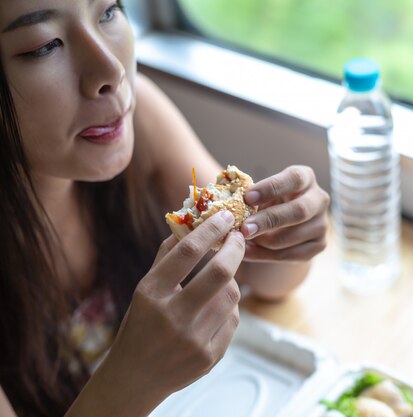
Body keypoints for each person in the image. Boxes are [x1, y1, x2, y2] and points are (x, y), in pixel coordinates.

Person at [0, 1, 330, 416]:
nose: (112, 71)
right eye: (44, 45)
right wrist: (130, 383)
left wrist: (287, 233)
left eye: (108, 11)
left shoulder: (135, 120)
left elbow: (268, 279)